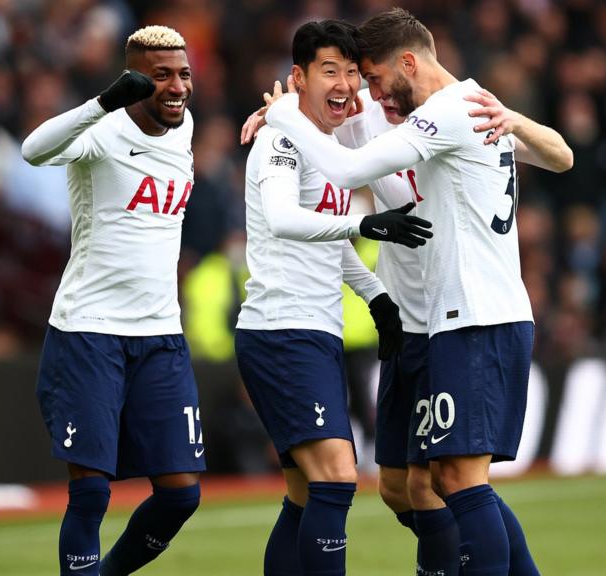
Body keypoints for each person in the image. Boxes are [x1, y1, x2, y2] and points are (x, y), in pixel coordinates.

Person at [264, 8, 573, 576]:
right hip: (422, 319)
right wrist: (292, 114)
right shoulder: (424, 109)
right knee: (405, 486)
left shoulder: (454, 112)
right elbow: (561, 154)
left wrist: (284, 115)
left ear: (408, 62)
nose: (368, 93)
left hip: (472, 314)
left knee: (453, 481)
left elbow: (347, 169)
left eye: (374, 79)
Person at [236, 20, 432, 576]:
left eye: (350, 71)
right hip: (282, 329)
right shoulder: (280, 139)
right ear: (297, 78)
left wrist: (375, 297)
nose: (345, 82)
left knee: (304, 495)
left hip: (311, 329)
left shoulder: (326, 145)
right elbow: (283, 218)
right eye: (330, 70)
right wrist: (366, 227)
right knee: (337, 479)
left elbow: (329, 236)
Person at [21, 25, 203, 576]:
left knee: (181, 495)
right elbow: (32, 150)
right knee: (92, 495)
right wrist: (102, 102)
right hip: (90, 330)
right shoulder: (102, 129)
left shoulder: (185, 125)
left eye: (184, 73)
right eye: (162, 75)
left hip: (161, 334)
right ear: (133, 79)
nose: (177, 87)